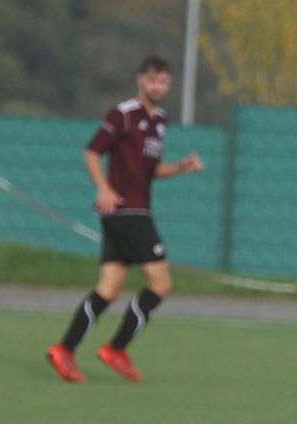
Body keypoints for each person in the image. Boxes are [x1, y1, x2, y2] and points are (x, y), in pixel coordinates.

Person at [46, 54, 203, 383]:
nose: (158, 87)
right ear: (140, 80)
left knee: (108, 290)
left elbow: (150, 170)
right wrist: (103, 188)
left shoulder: (161, 120)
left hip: (128, 214)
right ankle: (116, 349)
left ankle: (64, 350)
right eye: (153, 80)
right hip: (130, 213)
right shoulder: (124, 113)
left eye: (164, 82)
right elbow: (92, 151)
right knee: (161, 285)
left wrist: (180, 167)